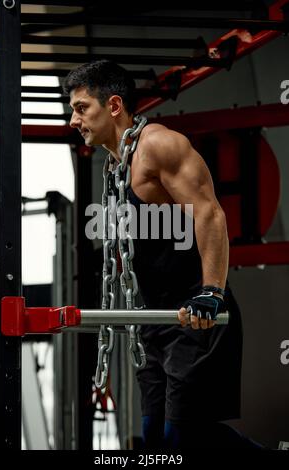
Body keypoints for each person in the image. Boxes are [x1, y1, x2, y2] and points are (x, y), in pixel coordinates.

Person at [63, 60, 263, 449]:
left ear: (115, 105)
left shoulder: (157, 145)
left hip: (196, 316)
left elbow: (209, 213)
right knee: (153, 439)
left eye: (82, 107)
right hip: (155, 324)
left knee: (181, 438)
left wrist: (211, 291)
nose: (74, 120)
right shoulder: (116, 165)